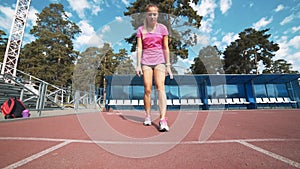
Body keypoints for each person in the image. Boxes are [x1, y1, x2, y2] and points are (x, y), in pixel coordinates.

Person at [135, 4, 173, 132]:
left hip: (160, 61)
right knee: (147, 88)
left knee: (160, 87)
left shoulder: (163, 29)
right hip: (146, 61)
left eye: (154, 14)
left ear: (158, 15)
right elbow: (139, 48)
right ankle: (148, 115)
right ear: (146, 15)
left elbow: (166, 47)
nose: (152, 16)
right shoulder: (140, 30)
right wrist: (138, 65)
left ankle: (162, 120)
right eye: (150, 14)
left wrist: (168, 65)